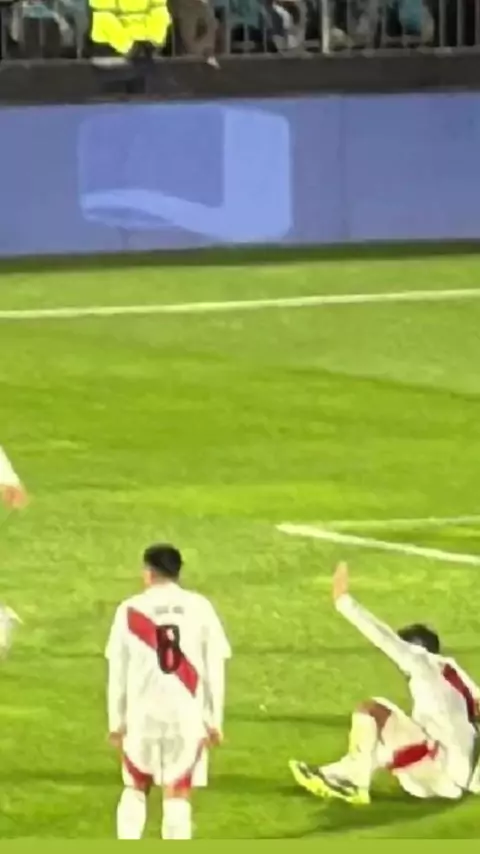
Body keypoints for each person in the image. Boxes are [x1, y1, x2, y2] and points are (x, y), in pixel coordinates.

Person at [290, 562, 480, 804]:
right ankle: (333, 775)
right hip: (458, 776)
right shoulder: (453, 673)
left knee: (372, 710)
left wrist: (343, 602)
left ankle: (355, 783)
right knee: (381, 737)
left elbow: (384, 638)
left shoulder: (420, 661)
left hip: (437, 771)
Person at [105, 543, 231, 840]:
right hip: (186, 714)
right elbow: (215, 666)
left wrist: (116, 722)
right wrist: (214, 720)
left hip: (142, 714)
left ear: (148, 573)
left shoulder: (129, 610)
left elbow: (117, 670)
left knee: (136, 786)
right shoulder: (201, 607)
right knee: (178, 791)